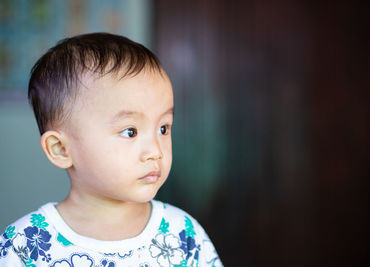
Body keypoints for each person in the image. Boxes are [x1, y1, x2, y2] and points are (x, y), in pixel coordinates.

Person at [0, 33, 222, 267]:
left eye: (164, 128)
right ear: (61, 149)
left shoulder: (183, 234)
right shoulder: (23, 245)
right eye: (130, 132)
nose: (155, 151)